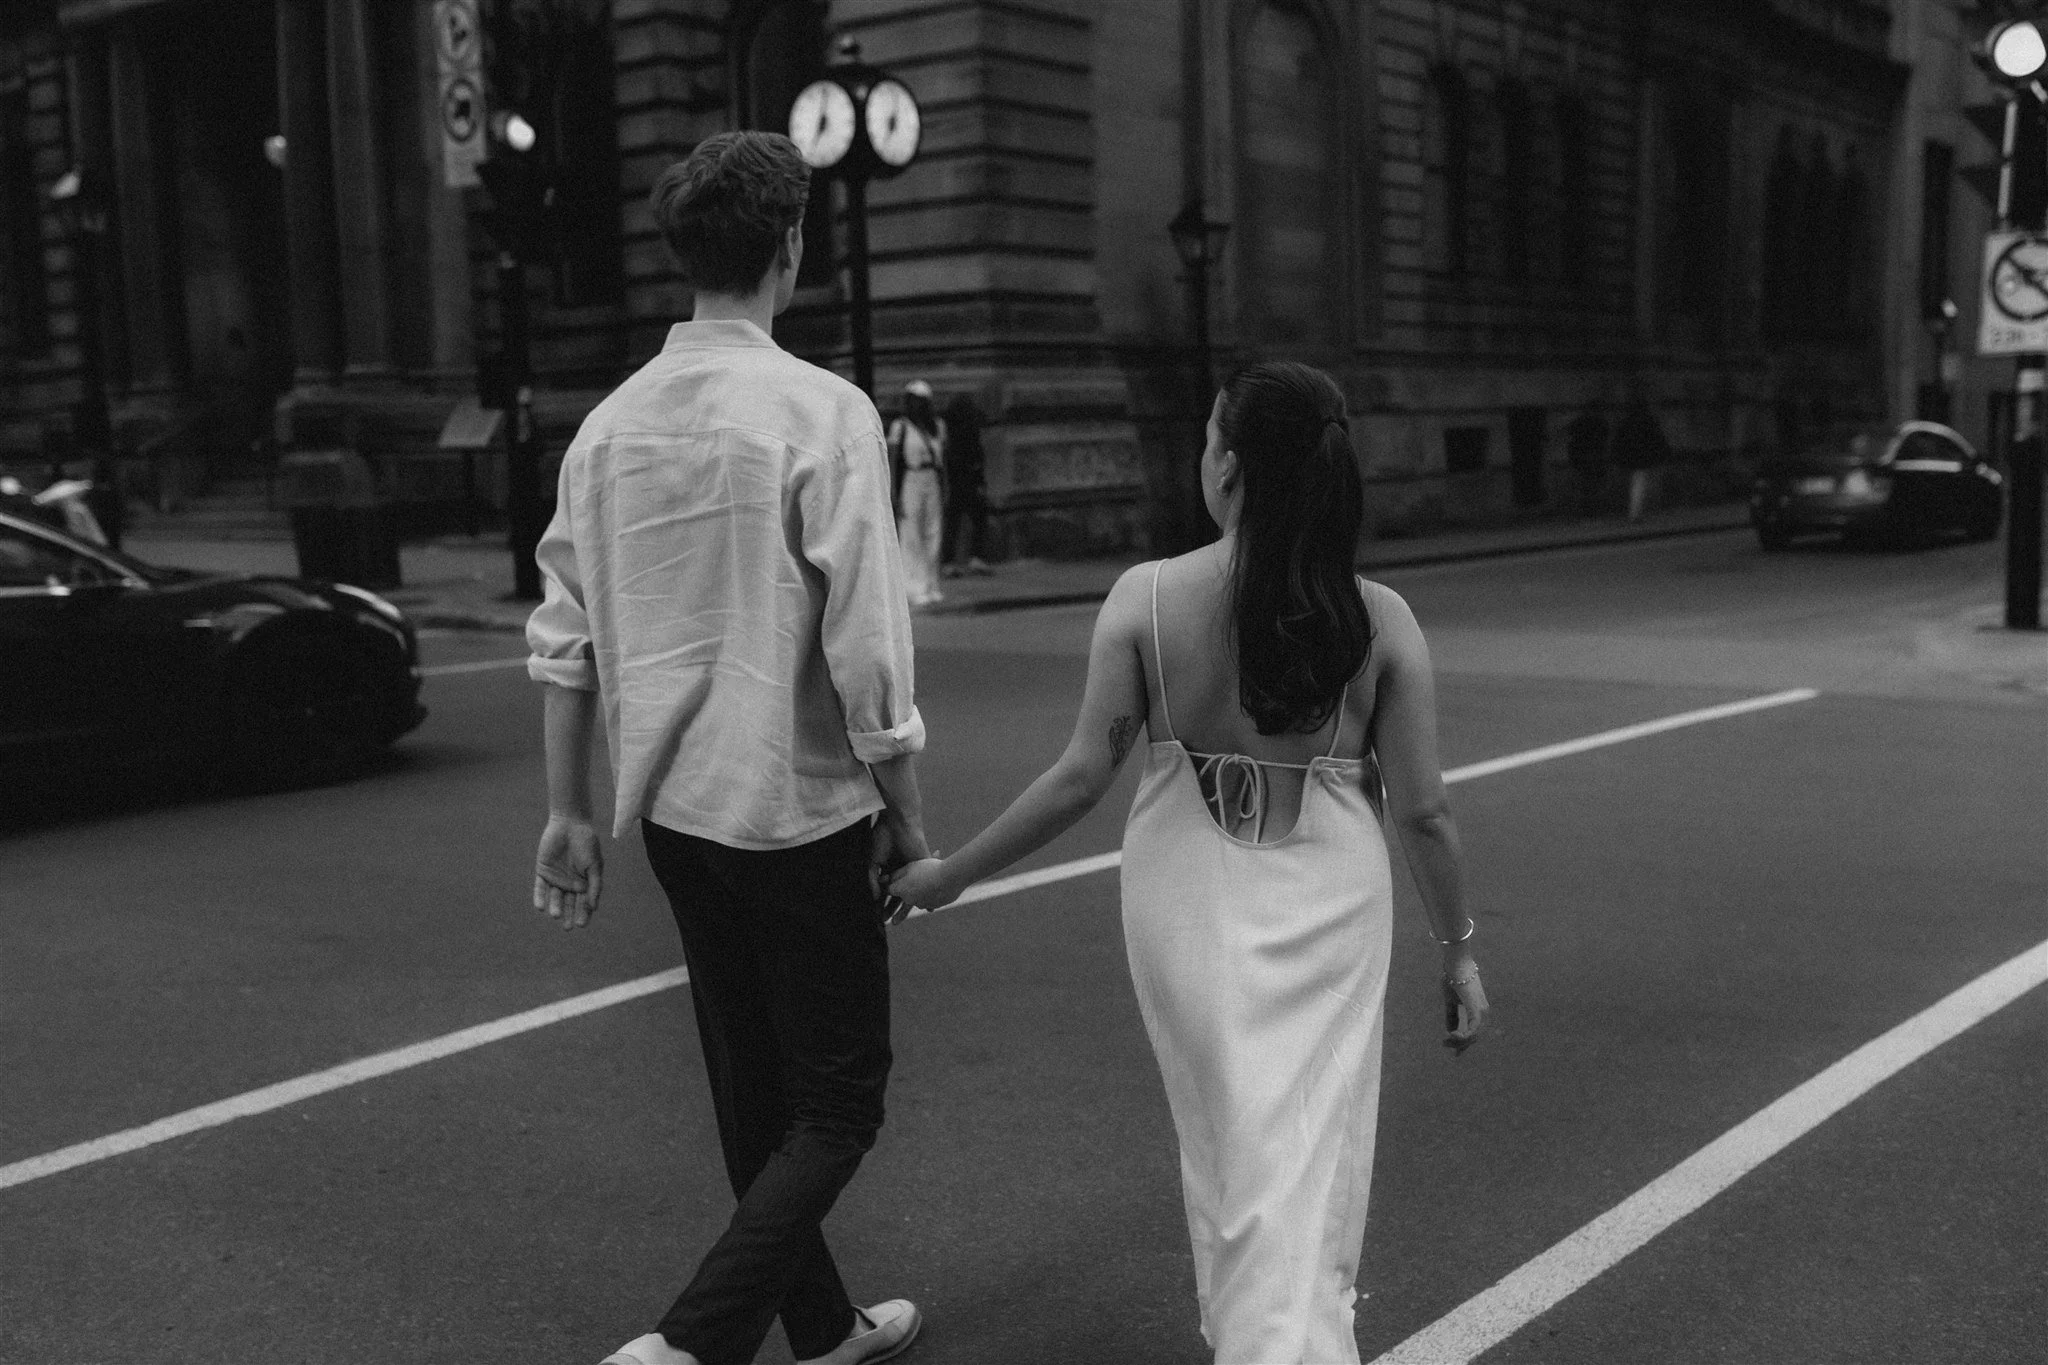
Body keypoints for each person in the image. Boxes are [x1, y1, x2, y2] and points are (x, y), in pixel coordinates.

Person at [888, 361, 1489, 1364]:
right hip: (1331, 892)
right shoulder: (1379, 619)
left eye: (1211, 439)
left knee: (1222, 1137)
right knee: (1307, 1144)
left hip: (1180, 892)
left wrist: (948, 877)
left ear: (1230, 468)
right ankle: (1291, 1338)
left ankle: (1255, 1334)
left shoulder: (1146, 598)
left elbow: (1080, 777)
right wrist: (1457, 950)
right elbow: (1422, 811)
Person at [525, 130, 929, 1365]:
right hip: (796, 805)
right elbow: (868, 651)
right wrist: (905, 811)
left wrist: (569, 810)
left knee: (752, 1090)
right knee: (838, 1099)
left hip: (675, 813)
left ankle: (821, 1329)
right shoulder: (820, 412)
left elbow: (564, 634)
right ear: (791, 247)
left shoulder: (605, 430)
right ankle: (687, 1342)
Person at [887, 379, 947, 607]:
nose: (916, 407)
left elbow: (943, 462)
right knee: (911, 532)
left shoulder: (937, 427)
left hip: (931, 479)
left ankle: (932, 584)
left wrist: (945, 487)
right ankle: (913, 586)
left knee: (933, 532)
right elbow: (893, 461)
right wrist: (893, 490)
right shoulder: (900, 427)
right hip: (911, 479)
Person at [939, 393, 991, 577]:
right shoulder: (967, 432)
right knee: (973, 518)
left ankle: (951, 561)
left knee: (955, 521)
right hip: (965, 479)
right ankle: (972, 558)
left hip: (958, 480)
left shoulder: (953, 431)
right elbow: (976, 457)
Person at [1611, 388, 1671, 523]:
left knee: (1635, 485)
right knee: (1640, 484)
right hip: (1643, 457)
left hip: (1631, 457)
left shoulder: (1627, 421)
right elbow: (1657, 438)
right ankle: (1636, 513)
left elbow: (1619, 439)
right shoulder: (1648, 420)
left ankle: (1635, 512)